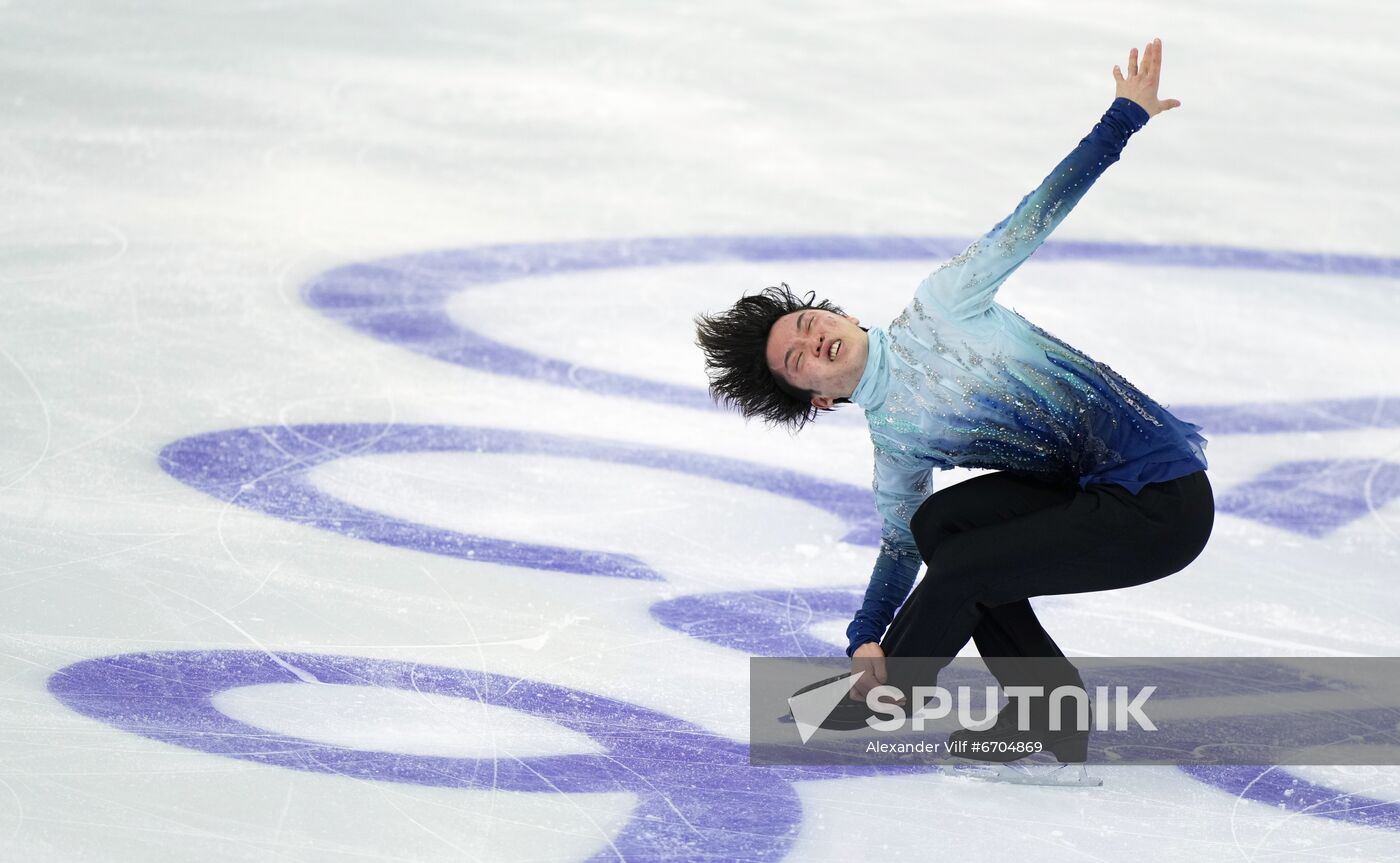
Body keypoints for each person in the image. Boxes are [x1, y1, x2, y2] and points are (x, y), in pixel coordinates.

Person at [694, 38, 1214, 764]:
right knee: (942, 523)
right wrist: (866, 634)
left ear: (838, 315)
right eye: (798, 360)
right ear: (813, 398)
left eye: (812, 326)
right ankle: (1048, 705)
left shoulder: (945, 304)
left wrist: (1122, 119)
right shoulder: (897, 439)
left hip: (1163, 502)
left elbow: (1036, 215)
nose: (816, 345)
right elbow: (903, 542)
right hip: (1102, 500)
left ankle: (880, 701)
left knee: (967, 567)